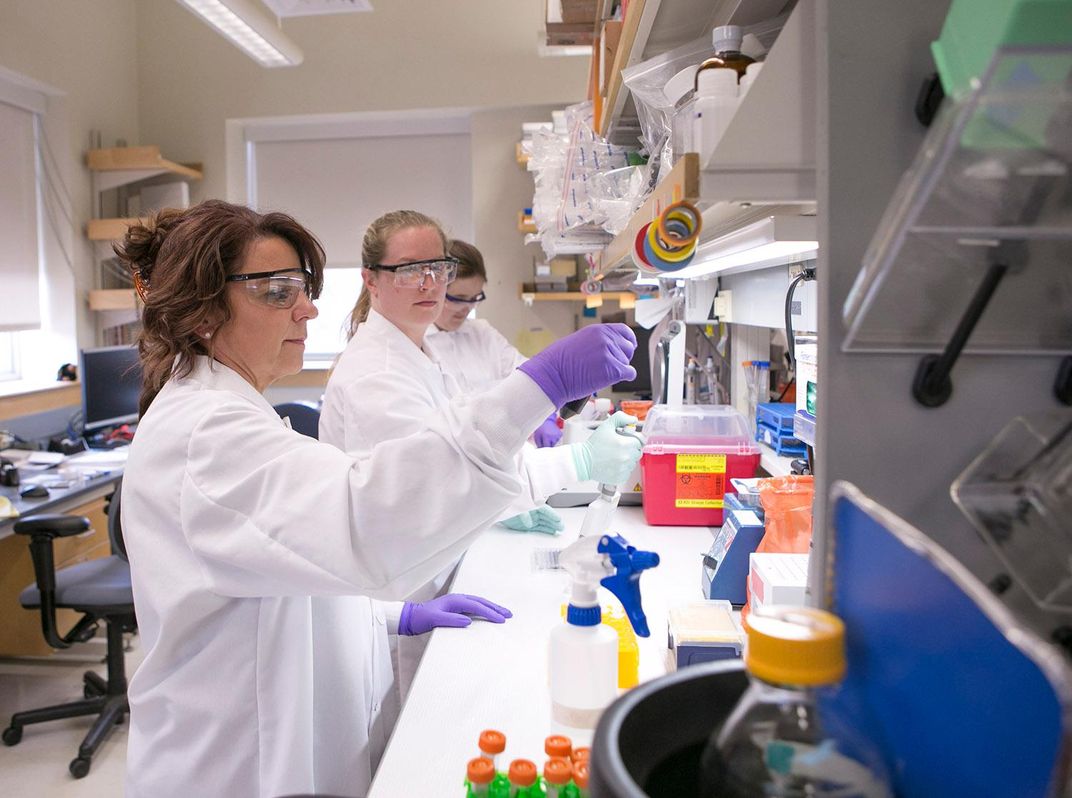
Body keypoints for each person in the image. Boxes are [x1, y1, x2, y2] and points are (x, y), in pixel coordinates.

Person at [113, 200, 637, 798]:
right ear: (202, 310)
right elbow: (367, 518)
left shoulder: (229, 410)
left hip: (275, 734)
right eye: (278, 291)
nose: (308, 309)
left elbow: (292, 564)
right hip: (232, 767)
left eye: (303, 288)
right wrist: (536, 390)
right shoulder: (206, 433)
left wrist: (392, 617)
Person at [319, 210, 644, 695]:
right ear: (371, 280)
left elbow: (465, 452)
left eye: (439, 266)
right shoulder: (378, 374)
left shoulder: (418, 354)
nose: (430, 281)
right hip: (399, 594)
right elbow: (438, 486)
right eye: (410, 269)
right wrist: (576, 461)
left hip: (429, 569)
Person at [425, 239, 562, 449]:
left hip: (507, 459)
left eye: (474, 297)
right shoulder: (419, 345)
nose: (467, 308)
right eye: (459, 298)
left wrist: (548, 412)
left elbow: (526, 373)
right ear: (436, 290)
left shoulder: (482, 333)